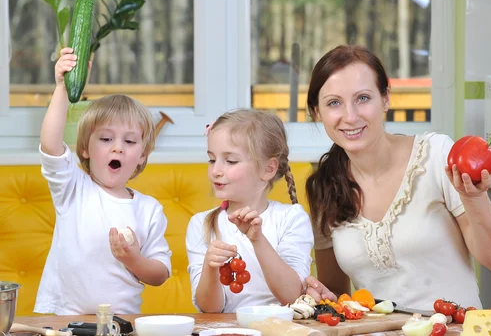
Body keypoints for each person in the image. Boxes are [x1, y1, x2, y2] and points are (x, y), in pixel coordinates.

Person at [303, 45, 491, 310]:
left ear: (386, 98)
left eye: (363, 98)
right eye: (334, 103)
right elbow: (336, 294)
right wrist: (317, 297)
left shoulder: (436, 156)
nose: (351, 116)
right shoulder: (323, 187)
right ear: (317, 112)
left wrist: (475, 198)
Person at [35, 47, 172, 315]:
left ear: (142, 156)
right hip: (67, 320)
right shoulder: (72, 188)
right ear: (85, 148)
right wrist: (62, 88)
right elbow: (50, 145)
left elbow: (160, 274)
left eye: (130, 141)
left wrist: (134, 259)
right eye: (106, 139)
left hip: (123, 322)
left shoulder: (149, 209)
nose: (117, 148)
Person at [186, 109, 313, 313]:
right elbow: (209, 309)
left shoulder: (292, 218)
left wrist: (257, 240)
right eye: (212, 159)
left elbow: (292, 296)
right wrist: (210, 268)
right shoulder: (200, 224)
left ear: (268, 169)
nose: (216, 170)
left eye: (231, 161)